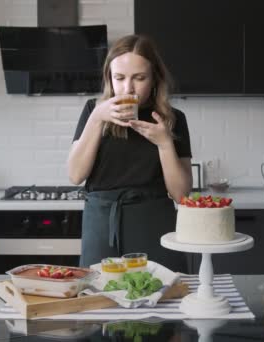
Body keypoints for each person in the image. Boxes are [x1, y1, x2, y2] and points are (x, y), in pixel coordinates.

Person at [68, 34, 192, 272]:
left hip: (153, 223)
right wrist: (96, 119)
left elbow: (181, 195)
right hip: (102, 224)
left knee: (162, 298)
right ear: (109, 78)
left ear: (155, 77)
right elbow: (75, 175)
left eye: (139, 78)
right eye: (119, 78)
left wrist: (165, 143)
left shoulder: (174, 119)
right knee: (100, 299)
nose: (128, 88)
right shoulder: (93, 111)